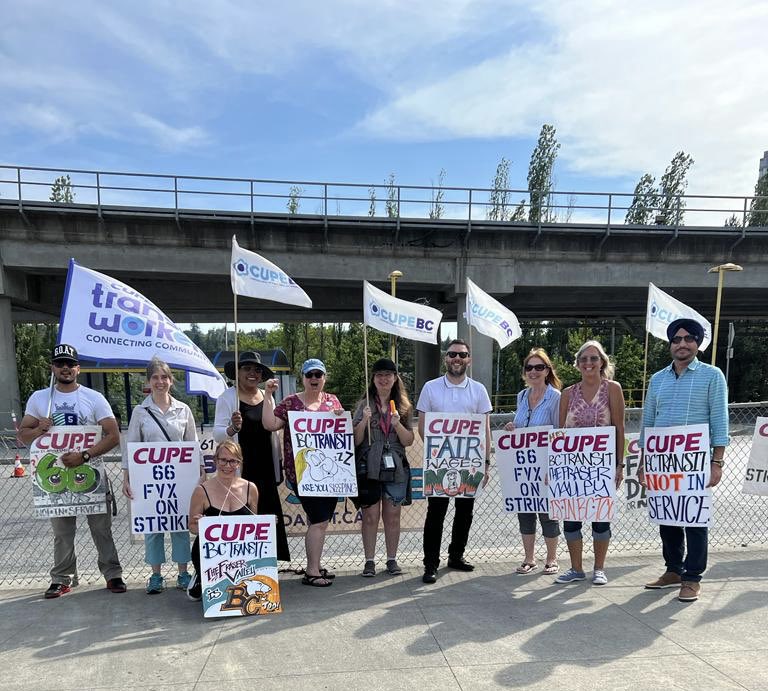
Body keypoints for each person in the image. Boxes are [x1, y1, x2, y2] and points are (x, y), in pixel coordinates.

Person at [19, 344, 126, 598]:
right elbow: (23, 436)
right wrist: (39, 430)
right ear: (53, 368)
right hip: (54, 476)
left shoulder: (94, 398)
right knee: (62, 532)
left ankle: (112, 574)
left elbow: (112, 435)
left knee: (101, 529)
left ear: (78, 368)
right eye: (60, 363)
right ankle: (61, 578)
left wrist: (85, 455)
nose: (65, 368)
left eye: (70, 364)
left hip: (90, 473)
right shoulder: (40, 399)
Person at [638, 318, 728, 603]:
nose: (682, 344)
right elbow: (648, 421)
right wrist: (643, 460)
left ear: (698, 343)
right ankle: (673, 570)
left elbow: (719, 419)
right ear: (670, 345)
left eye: (689, 338)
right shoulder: (657, 379)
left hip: (695, 461)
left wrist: (717, 461)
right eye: (676, 339)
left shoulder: (712, 375)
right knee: (668, 517)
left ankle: (692, 578)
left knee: (694, 519)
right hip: (662, 461)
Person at [122, 357, 203, 594]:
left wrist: (200, 471)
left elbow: (192, 444)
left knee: (179, 524)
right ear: (149, 381)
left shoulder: (183, 409)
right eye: (155, 377)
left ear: (171, 380)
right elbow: (132, 447)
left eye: (165, 377)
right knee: (153, 526)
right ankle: (156, 575)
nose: (160, 382)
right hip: (151, 479)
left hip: (179, 477)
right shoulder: (141, 411)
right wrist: (126, 477)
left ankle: (182, 572)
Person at [262, 358, 344, 587]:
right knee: (319, 520)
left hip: (329, 475)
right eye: (310, 375)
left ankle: (315, 565)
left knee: (320, 521)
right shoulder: (290, 402)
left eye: (319, 374)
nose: (314, 379)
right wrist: (268, 396)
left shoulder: (332, 401)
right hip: (301, 473)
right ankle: (311, 571)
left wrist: (340, 419)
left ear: (325, 378)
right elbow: (269, 424)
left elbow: (340, 432)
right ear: (303, 378)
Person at [417, 339, 492, 584]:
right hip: (439, 462)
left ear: (469, 359)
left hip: (469, 461)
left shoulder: (479, 390)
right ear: (445, 358)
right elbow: (423, 426)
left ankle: (456, 555)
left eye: (462, 354)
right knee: (435, 513)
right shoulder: (431, 387)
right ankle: (430, 563)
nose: (457, 358)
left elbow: (485, 428)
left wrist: (486, 462)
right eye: (452, 354)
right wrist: (438, 450)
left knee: (465, 512)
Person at [554, 340, 625, 586]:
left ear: (602, 362)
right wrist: (554, 468)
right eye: (584, 359)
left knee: (600, 519)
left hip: (601, 467)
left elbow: (619, 427)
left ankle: (599, 568)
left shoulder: (612, 389)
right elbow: (559, 432)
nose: (588, 363)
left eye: (594, 358)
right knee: (571, 519)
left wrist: (619, 464)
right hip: (572, 469)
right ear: (577, 364)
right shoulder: (567, 394)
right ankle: (576, 568)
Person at [214, 351, 290, 561]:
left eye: (257, 370)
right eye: (246, 368)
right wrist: (232, 428)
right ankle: (244, 561)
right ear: (237, 373)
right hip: (242, 468)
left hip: (266, 465)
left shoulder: (267, 397)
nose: (252, 373)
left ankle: (267, 562)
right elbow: (218, 434)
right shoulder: (227, 397)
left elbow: (273, 427)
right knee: (242, 514)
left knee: (266, 513)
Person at [352, 358, 415, 577]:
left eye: (388, 374)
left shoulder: (403, 406)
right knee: (369, 515)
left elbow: (408, 441)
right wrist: (363, 422)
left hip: (394, 466)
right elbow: (356, 440)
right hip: (369, 464)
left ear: (395, 378)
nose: (384, 379)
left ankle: (392, 559)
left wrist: (397, 424)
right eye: (379, 375)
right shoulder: (365, 405)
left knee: (392, 515)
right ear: (373, 378)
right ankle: (369, 561)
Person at [504, 348, 562, 576]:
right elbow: (520, 427)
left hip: (545, 464)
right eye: (529, 367)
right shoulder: (521, 396)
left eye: (539, 367)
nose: (534, 372)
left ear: (547, 370)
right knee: (525, 511)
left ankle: (551, 558)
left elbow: (559, 432)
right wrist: (511, 427)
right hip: (524, 466)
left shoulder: (556, 397)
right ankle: (529, 558)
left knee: (548, 514)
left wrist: (553, 465)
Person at [186, 440, 259, 601]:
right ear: (215, 461)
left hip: (240, 554)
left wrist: (265, 524)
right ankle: (200, 576)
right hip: (211, 554)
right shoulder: (201, 490)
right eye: (223, 460)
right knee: (215, 598)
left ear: (239, 463)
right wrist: (200, 524)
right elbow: (191, 526)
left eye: (233, 461)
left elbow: (255, 527)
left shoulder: (250, 489)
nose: (227, 465)